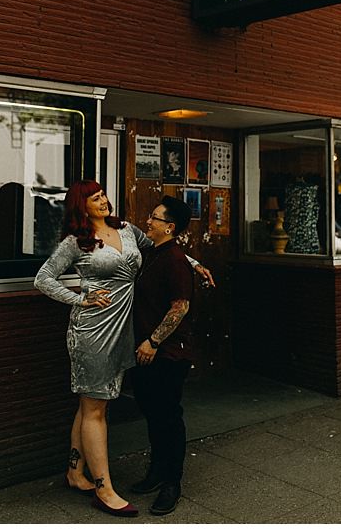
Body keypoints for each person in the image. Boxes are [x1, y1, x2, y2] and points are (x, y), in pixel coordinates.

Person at [34, 181, 212, 518]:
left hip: (124, 330)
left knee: (90, 402)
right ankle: (104, 489)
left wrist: (192, 262)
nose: (103, 201)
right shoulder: (76, 242)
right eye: (94, 198)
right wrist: (79, 298)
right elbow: (43, 279)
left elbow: (162, 246)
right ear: (81, 206)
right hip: (92, 330)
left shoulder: (127, 230)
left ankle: (75, 471)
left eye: (103, 195)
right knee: (95, 406)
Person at [127, 196, 197, 516]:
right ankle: (156, 472)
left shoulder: (174, 261)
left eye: (154, 218)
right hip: (147, 352)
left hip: (168, 353)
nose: (148, 221)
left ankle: (172, 482)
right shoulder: (152, 254)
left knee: (169, 417)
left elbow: (180, 307)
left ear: (169, 226)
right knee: (153, 415)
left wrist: (153, 341)